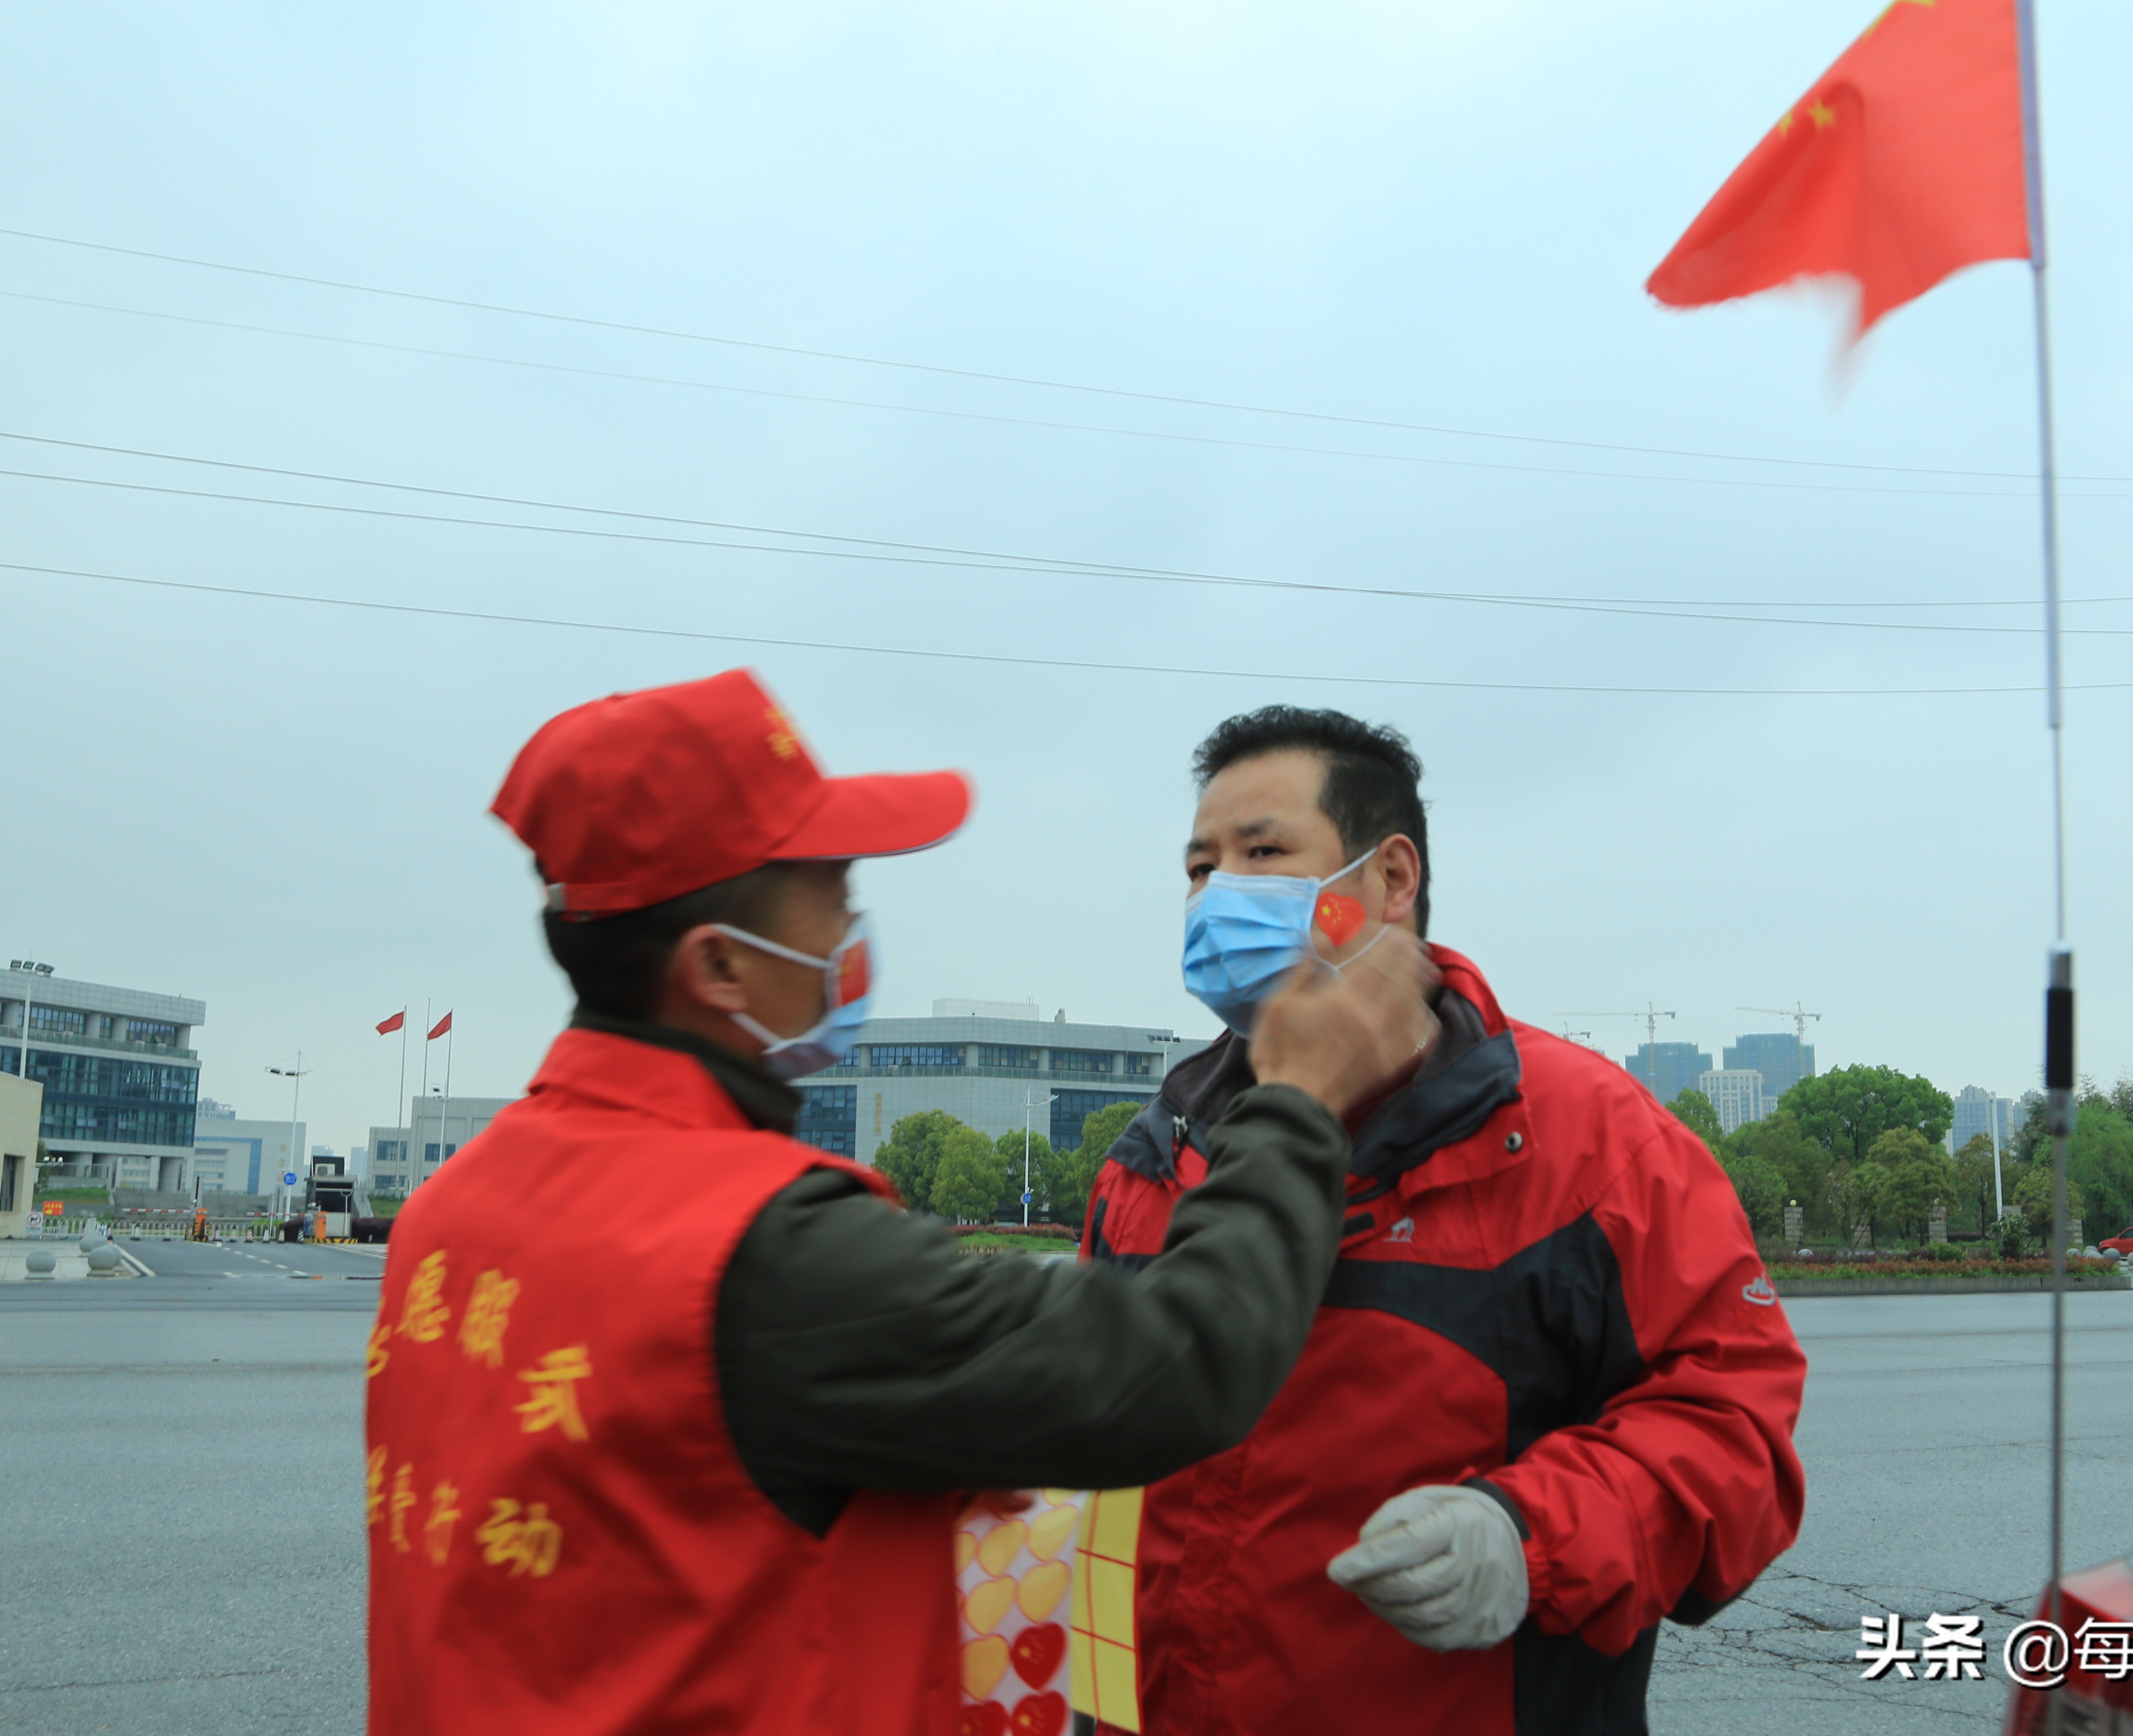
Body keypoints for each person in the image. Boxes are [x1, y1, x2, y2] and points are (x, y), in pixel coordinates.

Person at [363, 669, 1441, 1736]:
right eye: (833, 896)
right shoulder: (763, 1244)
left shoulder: (455, 1205)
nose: (853, 933)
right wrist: (1299, 1099)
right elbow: (1176, 1364)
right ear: (722, 967)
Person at [1082, 705, 1808, 1735]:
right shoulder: (1155, 1152)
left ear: (1389, 881)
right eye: (1200, 870)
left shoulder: (1593, 1142)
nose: (1216, 898)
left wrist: (1527, 1535)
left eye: (1263, 855)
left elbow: (1736, 1435)